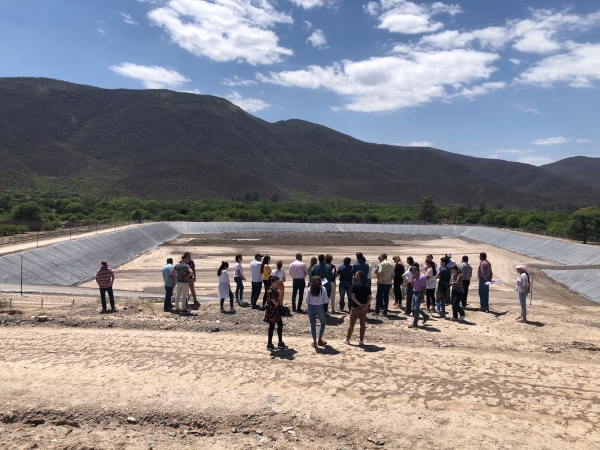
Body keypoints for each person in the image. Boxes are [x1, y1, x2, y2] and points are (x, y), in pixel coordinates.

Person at [344, 271, 371, 345]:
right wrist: (365, 306)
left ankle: (347, 339)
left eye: (356, 275)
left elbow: (353, 297)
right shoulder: (367, 286)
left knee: (352, 323)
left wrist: (360, 304)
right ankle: (361, 340)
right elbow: (370, 298)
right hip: (364, 309)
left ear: (359, 276)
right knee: (362, 324)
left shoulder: (354, 285)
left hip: (356, 307)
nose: (354, 276)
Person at [305, 276, 329, 348]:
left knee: (313, 325)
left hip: (311, 307)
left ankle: (314, 341)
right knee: (323, 322)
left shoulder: (309, 289)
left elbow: (306, 301)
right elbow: (326, 301)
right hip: (319, 307)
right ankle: (319, 339)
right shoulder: (323, 289)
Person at [264, 276, 287, 350]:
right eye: (276, 282)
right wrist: (279, 296)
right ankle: (269, 343)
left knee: (280, 325)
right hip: (272, 311)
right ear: (272, 282)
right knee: (272, 327)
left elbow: (278, 303)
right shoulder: (270, 291)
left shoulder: (275, 290)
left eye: (278, 282)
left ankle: (280, 342)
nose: (277, 284)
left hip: (276, 311)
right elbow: (276, 303)